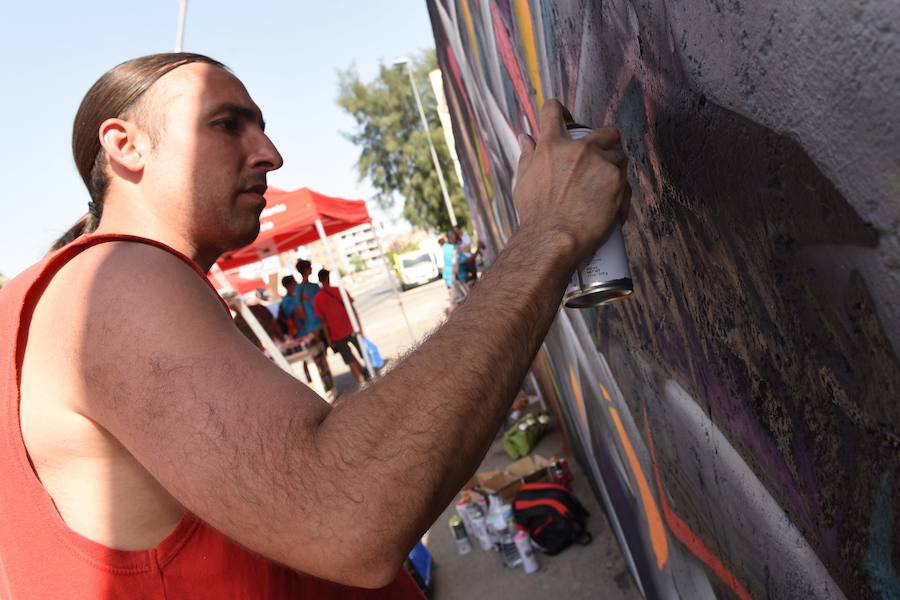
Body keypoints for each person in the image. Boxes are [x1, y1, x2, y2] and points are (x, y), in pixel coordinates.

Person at [0, 52, 628, 597]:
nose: (269, 154)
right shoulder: (111, 280)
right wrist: (551, 232)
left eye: (262, 128)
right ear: (125, 145)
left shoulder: (62, 296)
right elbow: (345, 514)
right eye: (227, 125)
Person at [313, 268, 370, 384]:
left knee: (348, 359)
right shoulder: (339, 290)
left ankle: (361, 381)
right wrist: (359, 326)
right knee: (364, 354)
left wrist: (329, 338)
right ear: (328, 278)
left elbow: (323, 321)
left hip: (336, 334)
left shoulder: (317, 299)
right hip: (351, 328)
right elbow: (352, 309)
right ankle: (373, 374)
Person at [295, 258, 334, 391]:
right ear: (306, 270)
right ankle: (326, 380)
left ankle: (327, 381)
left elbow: (300, 310)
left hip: (313, 325)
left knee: (321, 354)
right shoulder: (307, 288)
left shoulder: (301, 289)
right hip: (316, 325)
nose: (311, 269)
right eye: (310, 267)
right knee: (320, 355)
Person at [277, 274, 306, 339]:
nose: (297, 284)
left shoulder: (293, 297)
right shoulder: (287, 301)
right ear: (290, 285)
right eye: (295, 282)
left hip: (303, 331)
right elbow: (299, 314)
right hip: (300, 333)